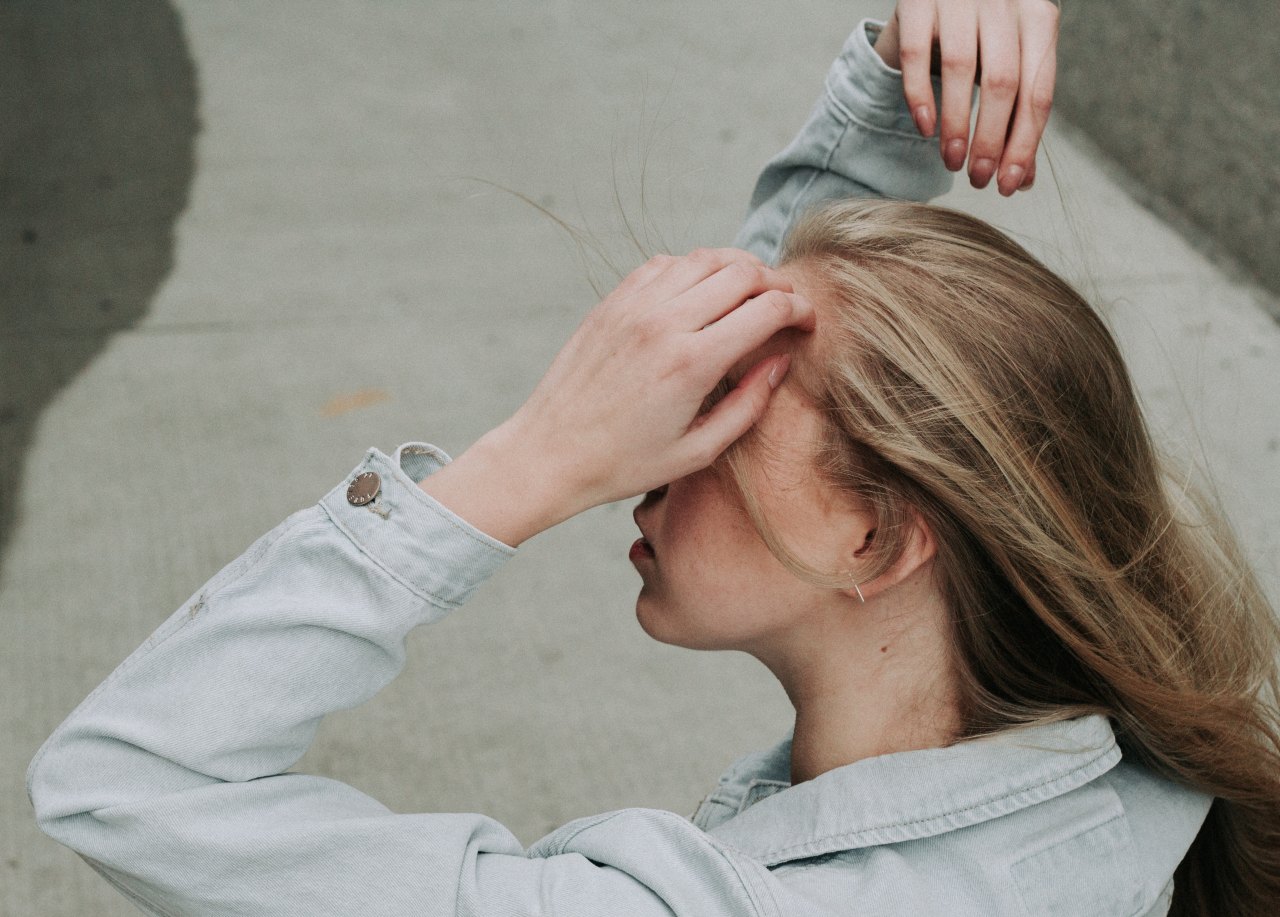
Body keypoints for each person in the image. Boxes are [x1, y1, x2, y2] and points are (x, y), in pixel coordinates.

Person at [27, 1, 1280, 915]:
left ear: (876, 538)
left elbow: (128, 776)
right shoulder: (1132, 775)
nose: (643, 458)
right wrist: (901, 76)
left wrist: (525, 462)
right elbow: (853, 367)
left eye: (718, 423)